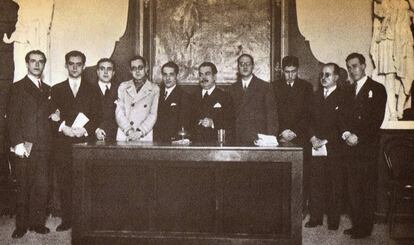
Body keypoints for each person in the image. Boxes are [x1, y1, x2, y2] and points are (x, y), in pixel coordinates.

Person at [51, 50, 101, 231]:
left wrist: (84, 130)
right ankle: (68, 220)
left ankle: (85, 220)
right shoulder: (56, 89)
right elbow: (52, 114)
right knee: (65, 182)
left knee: (86, 182)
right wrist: (64, 128)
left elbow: (97, 115)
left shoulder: (93, 89)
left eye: (78, 64)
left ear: (84, 66)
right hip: (63, 143)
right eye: (71, 64)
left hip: (84, 143)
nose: (74, 67)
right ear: (66, 65)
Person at [8, 50, 55, 238]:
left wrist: (56, 117)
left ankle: (37, 223)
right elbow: (12, 119)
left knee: (42, 186)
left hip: (44, 146)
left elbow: (49, 117)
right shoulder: (17, 87)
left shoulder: (48, 89)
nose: (37, 65)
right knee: (23, 186)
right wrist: (17, 142)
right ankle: (21, 226)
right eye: (33, 61)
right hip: (25, 145)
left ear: (44, 65)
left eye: (40, 62)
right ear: (27, 64)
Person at [342, 53, 386, 239]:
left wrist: (358, 136)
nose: (353, 70)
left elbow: (375, 119)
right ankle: (357, 224)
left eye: (355, 66)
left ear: (363, 65)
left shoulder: (377, 89)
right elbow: (341, 117)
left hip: (366, 147)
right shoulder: (347, 90)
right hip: (349, 147)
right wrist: (345, 134)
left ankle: (365, 227)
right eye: (349, 67)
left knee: (366, 188)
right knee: (352, 188)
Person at [305, 63, 347, 231]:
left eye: (328, 75)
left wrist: (326, 140)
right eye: (322, 74)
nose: (323, 78)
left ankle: (333, 220)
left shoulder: (343, 97)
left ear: (336, 77)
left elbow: (342, 123)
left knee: (334, 185)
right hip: (315, 145)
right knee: (315, 182)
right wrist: (313, 137)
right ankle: (315, 218)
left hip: (333, 147)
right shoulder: (314, 96)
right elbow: (307, 120)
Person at [274, 55, 313, 213]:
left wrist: (295, 132)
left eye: (293, 72)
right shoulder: (274, 86)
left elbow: (308, 114)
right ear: (282, 71)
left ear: (298, 70)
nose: (290, 75)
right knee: (282, 175)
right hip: (281, 137)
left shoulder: (306, 87)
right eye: (287, 72)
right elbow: (273, 112)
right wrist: (282, 131)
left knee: (301, 175)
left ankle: (301, 209)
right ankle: (283, 210)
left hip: (300, 137)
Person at [370, 0, 414, 120]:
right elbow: (379, 14)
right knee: (390, 77)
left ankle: (400, 108)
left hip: (404, 38)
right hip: (388, 40)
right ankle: (393, 113)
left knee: (409, 75)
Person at [229, 54, 278, 145]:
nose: (245, 67)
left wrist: (270, 140)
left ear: (253, 66)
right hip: (237, 139)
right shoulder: (232, 88)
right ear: (238, 67)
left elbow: (271, 116)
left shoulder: (264, 87)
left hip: (258, 139)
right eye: (242, 64)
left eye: (248, 64)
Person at [115, 55, 159, 141]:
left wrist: (140, 132)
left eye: (140, 67)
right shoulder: (123, 87)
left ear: (146, 69)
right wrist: (129, 130)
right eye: (134, 68)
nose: (137, 71)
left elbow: (153, 114)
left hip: (144, 135)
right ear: (130, 71)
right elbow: (119, 112)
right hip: (125, 134)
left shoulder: (154, 89)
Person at [191, 62, 234, 143]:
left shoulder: (225, 97)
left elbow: (230, 122)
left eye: (207, 74)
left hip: (217, 144)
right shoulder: (192, 97)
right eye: (201, 74)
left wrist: (213, 123)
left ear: (214, 76)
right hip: (196, 145)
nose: (203, 77)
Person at [153, 61, 191, 142]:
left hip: (173, 141)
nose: (168, 78)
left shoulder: (183, 95)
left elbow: (184, 121)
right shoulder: (156, 93)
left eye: (171, 74)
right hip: (157, 140)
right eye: (165, 74)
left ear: (176, 76)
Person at [94, 58, 118, 141]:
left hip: (115, 137)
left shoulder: (120, 90)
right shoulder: (88, 89)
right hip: (93, 136)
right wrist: (96, 129)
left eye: (109, 69)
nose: (105, 72)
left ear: (113, 72)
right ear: (97, 72)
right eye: (102, 69)